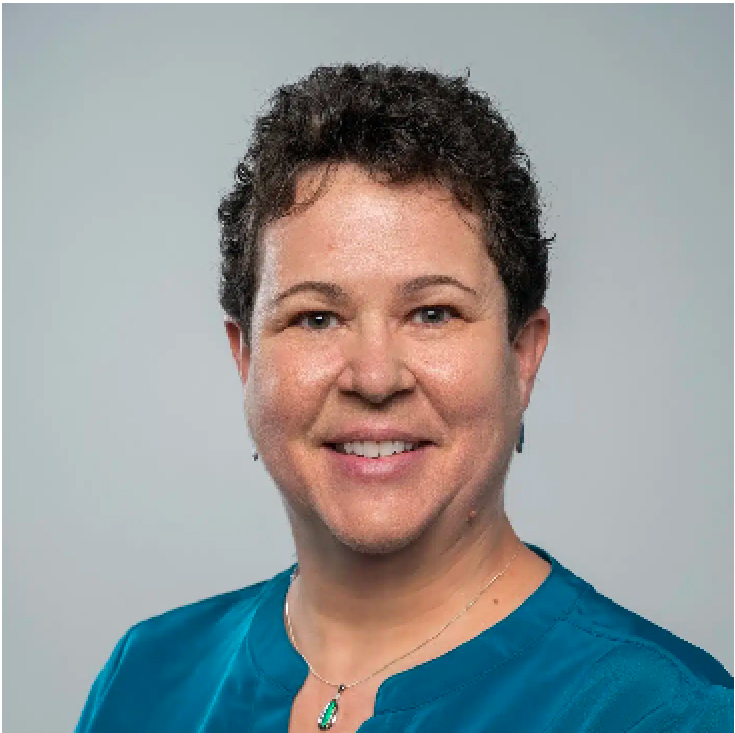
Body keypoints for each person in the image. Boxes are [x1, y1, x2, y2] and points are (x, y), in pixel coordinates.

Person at [75, 63, 733, 732]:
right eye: (316, 317)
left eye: (432, 313)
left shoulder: (663, 712)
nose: (374, 376)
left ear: (521, 353)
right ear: (244, 358)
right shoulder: (145, 677)